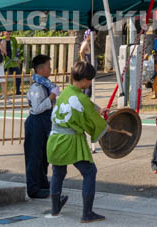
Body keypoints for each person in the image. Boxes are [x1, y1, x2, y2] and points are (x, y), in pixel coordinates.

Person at [47, 61, 113, 222]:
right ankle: (87, 213)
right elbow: (91, 120)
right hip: (70, 140)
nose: (90, 83)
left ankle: (55, 209)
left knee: (58, 172)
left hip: (55, 137)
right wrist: (106, 127)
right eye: (90, 80)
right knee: (89, 172)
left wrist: (99, 109)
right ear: (84, 80)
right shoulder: (81, 98)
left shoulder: (66, 91)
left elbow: (86, 105)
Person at [24, 54, 59, 199]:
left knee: (43, 156)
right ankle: (33, 188)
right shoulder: (36, 87)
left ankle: (43, 184)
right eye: (48, 66)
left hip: (44, 123)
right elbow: (37, 108)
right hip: (36, 123)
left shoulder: (45, 84)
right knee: (34, 156)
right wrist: (51, 97)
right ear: (40, 69)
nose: (50, 69)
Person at [2, 31, 22, 95]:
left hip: (13, 61)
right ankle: (2, 92)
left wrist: (17, 58)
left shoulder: (13, 39)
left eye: (10, 31)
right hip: (4, 61)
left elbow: (17, 49)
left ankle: (18, 90)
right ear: (3, 32)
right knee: (1, 76)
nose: (8, 33)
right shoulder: (1, 39)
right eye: (7, 31)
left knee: (18, 75)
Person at [78, 29, 95, 96]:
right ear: (88, 36)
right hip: (86, 67)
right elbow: (81, 51)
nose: (94, 37)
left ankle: (85, 97)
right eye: (93, 35)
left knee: (87, 85)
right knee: (88, 85)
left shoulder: (87, 43)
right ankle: (85, 98)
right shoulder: (86, 43)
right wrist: (83, 60)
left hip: (87, 67)